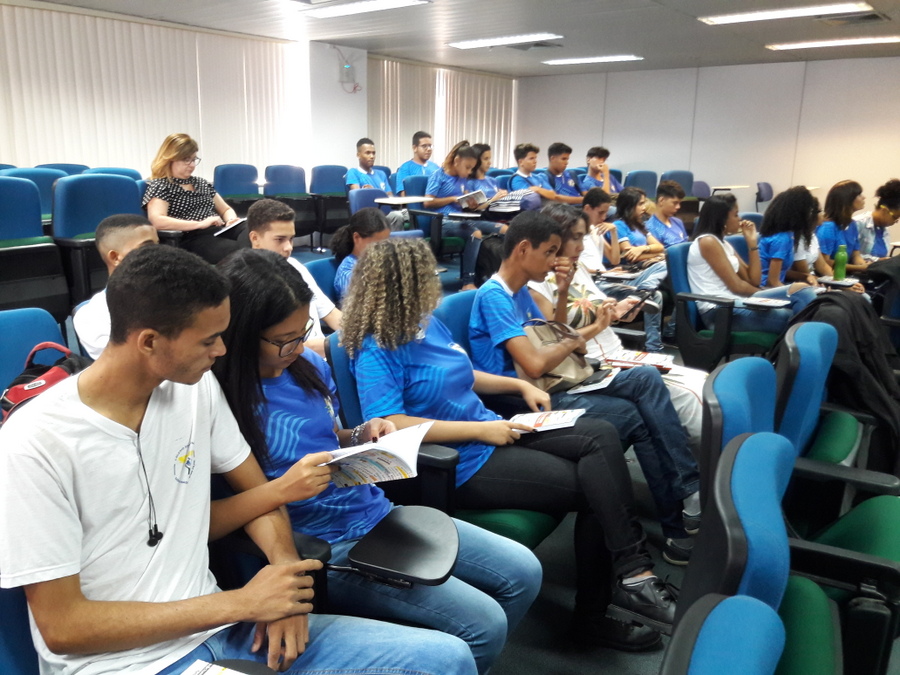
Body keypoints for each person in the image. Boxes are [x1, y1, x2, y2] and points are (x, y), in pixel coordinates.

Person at [0, 244, 477, 675]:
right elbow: (64, 627)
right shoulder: (34, 443)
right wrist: (245, 603)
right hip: (129, 662)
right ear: (149, 342)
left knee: (447, 658)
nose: (223, 350)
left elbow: (262, 497)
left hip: (222, 627)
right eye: (208, 340)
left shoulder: (193, 388)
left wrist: (284, 577)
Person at [213, 249, 542, 674]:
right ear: (240, 334)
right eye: (282, 340)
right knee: (484, 625)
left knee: (523, 572)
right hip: (326, 543)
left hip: (373, 511)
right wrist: (288, 494)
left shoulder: (306, 365)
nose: (296, 348)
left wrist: (362, 434)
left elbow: (330, 437)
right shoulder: (221, 397)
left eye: (302, 333)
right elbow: (240, 507)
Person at [343, 238, 677, 651]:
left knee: (602, 434)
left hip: (493, 429)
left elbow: (466, 373)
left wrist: (517, 385)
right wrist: (479, 431)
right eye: (425, 277)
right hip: (460, 461)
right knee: (598, 487)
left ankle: (633, 574)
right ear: (402, 286)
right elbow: (391, 424)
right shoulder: (377, 346)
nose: (434, 283)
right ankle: (600, 610)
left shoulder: (425, 323)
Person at [468, 212, 701, 565]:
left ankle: (685, 491)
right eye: (549, 252)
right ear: (523, 249)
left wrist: (563, 294)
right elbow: (535, 364)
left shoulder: (519, 293)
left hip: (551, 381)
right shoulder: (495, 296)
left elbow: (553, 337)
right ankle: (676, 519)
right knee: (634, 416)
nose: (554, 261)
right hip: (522, 399)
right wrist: (576, 339)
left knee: (645, 379)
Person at [529, 204, 705, 448]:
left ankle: (710, 457)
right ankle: (709, 459)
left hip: (617, 353)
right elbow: (555, 341)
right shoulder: (538, 282)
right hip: (591, 363)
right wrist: (600, 324)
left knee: (702, 381)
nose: (581, 247)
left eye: (583, 238)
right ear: (555, 238)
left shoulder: (578, 268)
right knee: (691, 398)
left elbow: (594, 314)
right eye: (575, 238)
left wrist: (616, 311)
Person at [688, 194, 817, 333]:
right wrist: (767, 294)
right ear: (722, 218)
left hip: (736, 303)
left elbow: (754, 280)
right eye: (735, 215)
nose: (739, 219)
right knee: (799, 297)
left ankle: (800, 342)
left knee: (801, 297)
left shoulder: (724, 244)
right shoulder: (707, 242)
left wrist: (752, 243)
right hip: (720, 311)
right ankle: (803, 341)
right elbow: (737, 287)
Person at [247, 198, 342, 357]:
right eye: (280, 239)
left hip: (321, 356)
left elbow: (331, 314)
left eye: (291, 239)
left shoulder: (295, 266)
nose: (289, 247)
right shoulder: (248, 283)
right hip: (294, 361)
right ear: (255, 238)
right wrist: (331, 345)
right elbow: (269, 351)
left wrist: (359, 334)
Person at [144, 132, 245, 264]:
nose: (192, 165)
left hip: (219, 229)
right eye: (186, 160)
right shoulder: (161, 185)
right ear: (170, 159)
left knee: (256, 232)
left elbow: (225, 209)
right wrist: (200, 224)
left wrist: (231, 220)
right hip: (191, 236)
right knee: (238, 251)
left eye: (194, 159)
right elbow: (157, 220)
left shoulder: (201, 182)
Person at [73, 214, 159, 360]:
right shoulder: (92, 316)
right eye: (147, 247)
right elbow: (127, 363)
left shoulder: (177, 295)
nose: (159, 253)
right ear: (115, 257)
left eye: (158, 245)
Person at [425, 141, 505, 289]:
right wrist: (451, 199)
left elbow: (465, 202)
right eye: (467, 167)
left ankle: (502, 276)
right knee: (475, 233)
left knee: (504, 229)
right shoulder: (438, 175)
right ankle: (468, 282)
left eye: (472, 168)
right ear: (457, 161)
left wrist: (472, 204)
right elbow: (427, 202)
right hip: (442, 221)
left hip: (462, 219)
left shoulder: (462, 179)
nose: (469, 172)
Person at [606, 187, 668, 299]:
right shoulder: (619, 225)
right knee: (666, 264)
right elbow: (631, 256)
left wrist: (642, 249)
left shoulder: (639, 225)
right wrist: (656, 255)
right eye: (640, 204)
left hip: (647, 267)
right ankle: (645, 289)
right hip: (631, 271)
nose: (644, 208)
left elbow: (660, 247)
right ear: (629, 206)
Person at [758, 186, 821, 288]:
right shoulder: (781, 239)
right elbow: (772, 282)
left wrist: (805, 276)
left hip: (777, 286)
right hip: (766, 289)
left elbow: (781, 271)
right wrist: (795, 291)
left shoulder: (784, 235)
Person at [332, 207, 391, 300]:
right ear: (356, 237)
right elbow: (362, 305)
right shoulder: (348, 273)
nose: (382, 249)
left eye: (386, 243)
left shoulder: (382, 262)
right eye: (376, 244)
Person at [345, 138, 404, 230]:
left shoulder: (381, 174)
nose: (372, 156)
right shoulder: (353, 172)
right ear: (358, 155)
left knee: (411, 213)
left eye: (373, 153)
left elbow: (389, 196)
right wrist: (369, 193)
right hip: (369, 215)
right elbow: (357, 196)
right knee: (397, 216)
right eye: (368, 153)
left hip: (386, 212)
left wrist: (373, 191)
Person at [817, 180, 870, 275]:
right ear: (847, 199)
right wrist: (860, 268)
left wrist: (865, 266)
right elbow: (825, 262)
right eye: (859, 195)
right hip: (829, 276)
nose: (863, 197)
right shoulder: (828, 228)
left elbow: (856, 255)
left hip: (847, 274)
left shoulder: (852, 224)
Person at [856, 179, 900, 259]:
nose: (896, 222)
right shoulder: (858, 223)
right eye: (895, 217)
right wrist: (878, 260)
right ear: (884, 210)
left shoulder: (884, 228)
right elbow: (850, 255)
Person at [395, 130, 440, 195]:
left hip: (435, 200)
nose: (429, 149)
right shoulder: (405, 168)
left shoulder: (436, 168)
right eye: (424, 146)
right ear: (414, 148)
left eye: (430, 146)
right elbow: (403, 195)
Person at [646, 180, 688, 248]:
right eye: (675, 203)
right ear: (661, 201)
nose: (678, 207)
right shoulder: (650, 227)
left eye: (679, 203)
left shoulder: (678, 222)